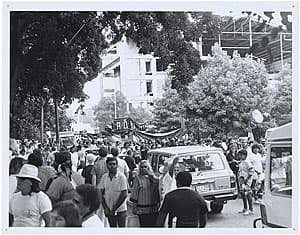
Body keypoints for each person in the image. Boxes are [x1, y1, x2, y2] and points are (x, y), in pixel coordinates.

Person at [130, 160, 160, 227]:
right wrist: (134, 209)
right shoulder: (138, 178)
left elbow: (158, 182)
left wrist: (149, 174)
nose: (144, 168)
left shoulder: (153, 177)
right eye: (142, 167)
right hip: (142, 210)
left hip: (154, 209)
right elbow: (135, 194)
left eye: (145, 167)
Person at [99, 157, 128, 227]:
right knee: (112, 228)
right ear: (107, 165)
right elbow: (100, 193)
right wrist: (105, 208)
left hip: (120, 209)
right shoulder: (104, 177)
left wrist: (114, 209)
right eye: (110, 164)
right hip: (108, 209)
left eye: (114, 164)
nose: (112, 166)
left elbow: (124, 194)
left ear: (117, 165)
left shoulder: (121, 177)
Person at [237, 149, 255, 215]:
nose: (239, 156)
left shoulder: (247, 162)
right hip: (242, 179)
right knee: (243, 193)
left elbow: (251, 170)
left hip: (247, 180)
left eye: (240, 155)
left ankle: (250, 209)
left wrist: (247, 179)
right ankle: (245, 208)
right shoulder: (242, 161)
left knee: (248, 193)